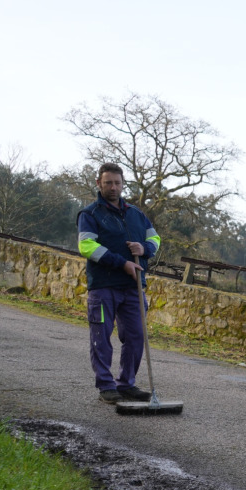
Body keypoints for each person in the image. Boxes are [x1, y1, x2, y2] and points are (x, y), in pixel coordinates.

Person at [77, 163, 160, 404]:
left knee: (136, 335)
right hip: (103, 285)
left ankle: (127, 384)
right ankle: (106, 386)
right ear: (98, 184)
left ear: (123, 184)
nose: (113, 187)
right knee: (101, 337)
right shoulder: (89, 214)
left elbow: (154, 237)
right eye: (108, 183)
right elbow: (86, 246)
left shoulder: (136, 214)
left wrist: (145, 248)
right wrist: (121, 263)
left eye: (117, 183)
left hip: (133, 287)